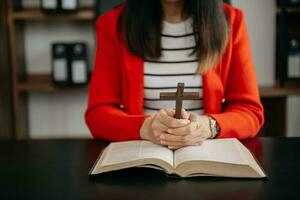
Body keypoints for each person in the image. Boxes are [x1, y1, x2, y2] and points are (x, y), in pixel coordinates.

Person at [85, 0, 264, 150]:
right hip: (143, 154)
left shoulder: (232, 21)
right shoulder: (113, 24)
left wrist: (209, 126)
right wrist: (143, 127)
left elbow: (250, 112)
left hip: (205, 154)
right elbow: (98, 114)